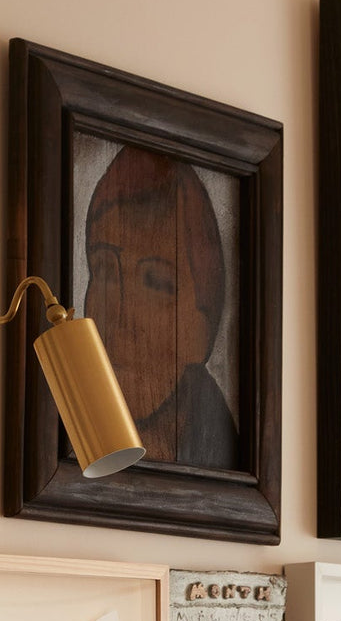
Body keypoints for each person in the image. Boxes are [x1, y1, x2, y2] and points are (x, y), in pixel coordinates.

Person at [83, 144, 237, 469]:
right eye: (105, 271)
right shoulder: (65, 430)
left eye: (155, 282)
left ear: (201, 327)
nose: (120, 315)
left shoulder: (220, 455)